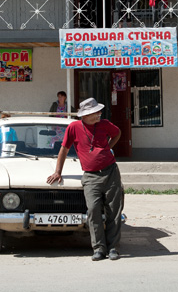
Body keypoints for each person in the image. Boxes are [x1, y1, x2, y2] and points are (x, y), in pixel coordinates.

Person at [46, 98, 123, 261]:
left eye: (99, 111)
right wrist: (58, 171)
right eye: (95, 112)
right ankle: (99, 248)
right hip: (90, 176)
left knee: (113, 211)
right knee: (94, 210)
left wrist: (108, 148)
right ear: (86, 115)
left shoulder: (105, 124)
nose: (99, 114)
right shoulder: (74, 127)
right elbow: (64, 149)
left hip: (111, 172)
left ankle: (113, 247)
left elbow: (117, 134)